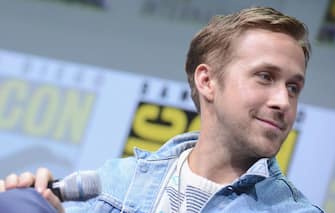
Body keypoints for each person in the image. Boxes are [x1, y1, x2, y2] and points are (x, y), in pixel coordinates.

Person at [0, 6, 324, 212]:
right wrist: (38, 205)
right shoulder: (115, 183)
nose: (283, 101)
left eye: (293, 87)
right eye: (265, 77)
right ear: (207, 81)